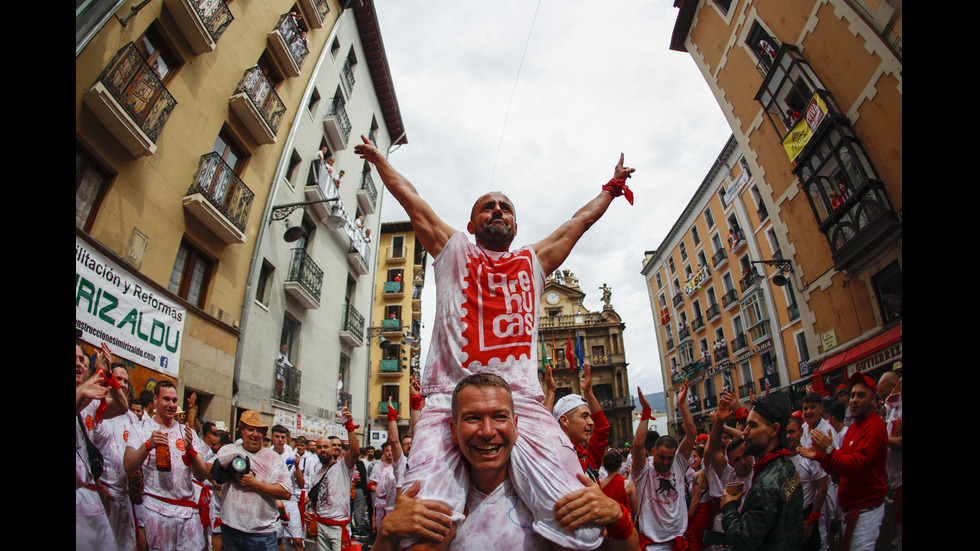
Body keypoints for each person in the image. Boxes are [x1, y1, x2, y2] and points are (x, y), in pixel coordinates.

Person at [354, 134, 635, 551]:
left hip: (521, 404)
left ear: (516, 225)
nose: (498, 211)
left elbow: (579, 222)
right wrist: (380, 162)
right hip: (449, 402)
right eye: (488, 206)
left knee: (579, 522)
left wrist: (610, 190)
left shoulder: (533, 261)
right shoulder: (453, 250)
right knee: (419, 528)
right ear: (471, 225)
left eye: (506, 207)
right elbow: (412, 199)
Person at [372, 373, 638, 551]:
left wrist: (618, 518)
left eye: (499, 417)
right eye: (472, 418)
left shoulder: (551, 497)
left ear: (516, 425)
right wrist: (384, 538)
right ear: (453, 429)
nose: (487, 431)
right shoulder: (430, 500)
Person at [798, 372, 887, 551]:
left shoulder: (874, 426)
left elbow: (854, 466)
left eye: (860, 395)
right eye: (852, 395)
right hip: (852, 511)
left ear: (873, 400)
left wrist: (828, 450)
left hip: (866, 511)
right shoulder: (855, 427)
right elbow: (840, 467)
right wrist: (820, 455)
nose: (853, 400)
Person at [124, 380, 211, 551]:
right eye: (166, 399)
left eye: (174, 400)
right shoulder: (140, 428)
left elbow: (201, 476)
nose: (171, 405)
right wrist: (147, 445)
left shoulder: (188, 433)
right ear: (155, 400)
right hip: (157, 509)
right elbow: (128, 465)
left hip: (186, 513)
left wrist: (191, 452)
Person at [713, 394, 804, 551]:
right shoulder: (786, 465)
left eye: (752, 425)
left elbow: (744, 541)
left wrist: (729, 508)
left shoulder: (766, 485)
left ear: (774, 430)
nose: (745, 432)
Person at [75, 340, 129, 551]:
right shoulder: (86, 395)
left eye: (82, 359)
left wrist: (108, 376)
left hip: (87, 494)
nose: (78, 363)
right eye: (75, 359)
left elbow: (123, 407)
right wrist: (97, 375)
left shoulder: (92, 397)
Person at [210, 411, 292, 550]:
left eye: (259, 431)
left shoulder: (273, 458)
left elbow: (286, 493)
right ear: (241, 431)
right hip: (231, 529)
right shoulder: (228, 450)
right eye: (250, 429)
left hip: (262, 534)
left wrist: (255, 484)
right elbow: (207, 472)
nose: (255, 434)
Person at [630, 381, 696, 550]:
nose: (666, 462)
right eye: (662, 457)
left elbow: (691, 435)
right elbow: (637, 446)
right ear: (653, 452)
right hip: (653, 544)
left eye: (670, 458)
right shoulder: (643, 471)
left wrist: (682, 406)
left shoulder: (679, 465)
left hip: (679, 540)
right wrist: (645, 413)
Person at [306, 404, 361, 551]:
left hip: (338, 528)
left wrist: (349, 426)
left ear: (332, 449)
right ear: (315, 450)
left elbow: (355, 451)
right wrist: (310, 513)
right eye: (319, 447)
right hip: (321, 526)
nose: (322, 450)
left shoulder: (343, 466)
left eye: (326, 447)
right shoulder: (315, 473)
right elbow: (314, 500)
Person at [549, 362, 609, 482]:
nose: (591, 422)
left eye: (590, 417)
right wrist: (550, 393)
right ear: (564, 420)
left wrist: (589, 391)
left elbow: (602, 428)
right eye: (584, 416)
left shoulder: (588, 458)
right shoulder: (554, 458)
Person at [787, 415, 828, 551]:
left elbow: (822, 487)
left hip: (806, 516)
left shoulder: (809, 457)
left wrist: (811, 521)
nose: (788, 436)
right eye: (785, 433)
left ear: (801, 432)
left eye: (792, 432)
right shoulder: (780, 460)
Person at [270, 425, 306, 551]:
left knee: (297, 540)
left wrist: (297, 466)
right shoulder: (267, 454)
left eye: (283, 437)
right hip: (274, 500)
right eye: (277, 437)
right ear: (272, 438)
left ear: (286, 439)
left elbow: (301, 484)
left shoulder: (291, 454)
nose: (280, 440)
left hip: (290, 500)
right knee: (277, 539)